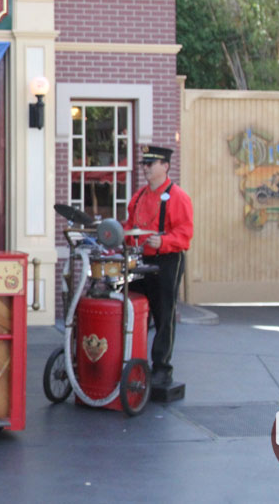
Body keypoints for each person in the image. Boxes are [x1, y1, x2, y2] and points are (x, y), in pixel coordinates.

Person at [123, 145, 194, 389]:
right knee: (137, 311)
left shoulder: (179, 197)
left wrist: (163, 241)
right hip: (142, 259)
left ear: (165, 166)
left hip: (167, 260)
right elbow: (130, 226)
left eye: (150, 164)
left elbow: (185, 234)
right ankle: (136, 362)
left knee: (164, 314)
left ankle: (162, 368)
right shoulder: (139, 196)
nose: (145, 167)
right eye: (144, 163)